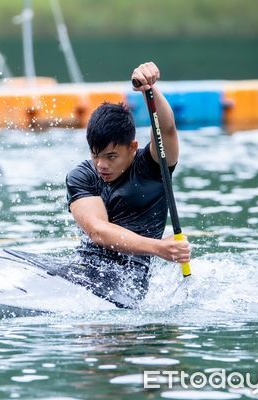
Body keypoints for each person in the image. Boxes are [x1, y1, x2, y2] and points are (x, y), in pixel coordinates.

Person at [65, 62, 191, 308]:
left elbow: (165, 128)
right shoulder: (81, 176)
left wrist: (149, 90)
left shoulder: (155, 168)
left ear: (132, 147)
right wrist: (159, 248)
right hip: (82, 273)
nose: (101, 165)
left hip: (128, 285)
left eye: (111, 157)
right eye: (95, 154)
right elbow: (97, 231)